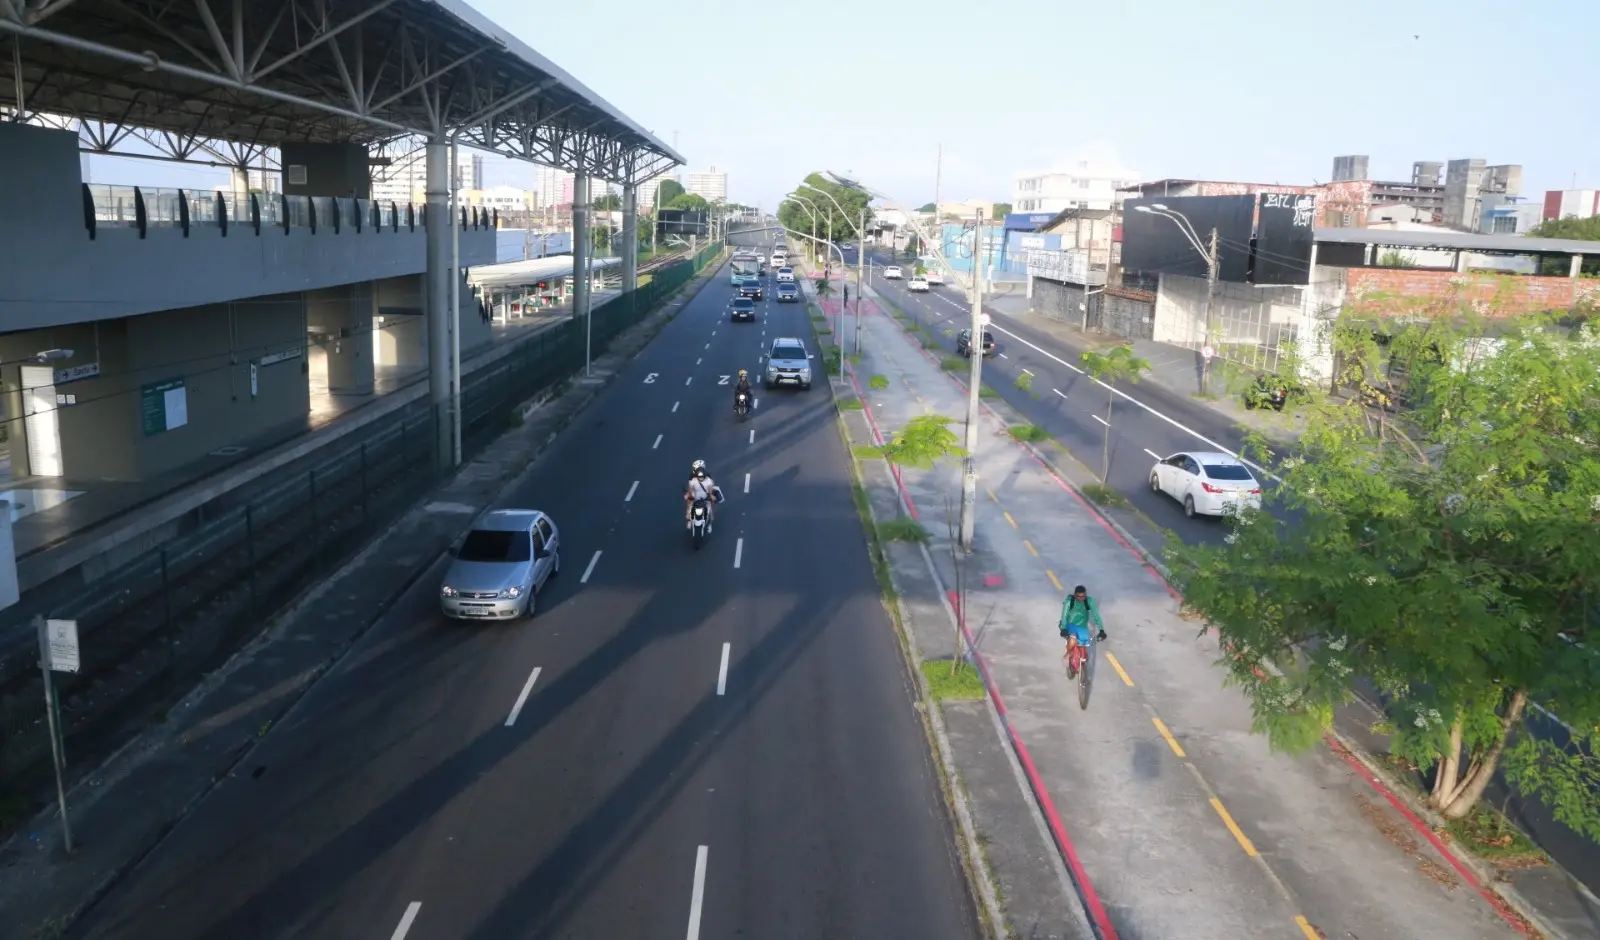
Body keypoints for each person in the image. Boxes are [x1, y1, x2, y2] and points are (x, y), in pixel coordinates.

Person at [1058, 584, 1106, 665]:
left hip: (1082, 627)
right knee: (1072, 639)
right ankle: (1068, 654)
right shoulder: (1069, 601)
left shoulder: (1089, 601)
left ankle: (1083, 669)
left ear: (1085, 595)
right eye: (1078, 596)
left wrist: (1101, 630)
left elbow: (1096, 616)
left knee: (1084, 650)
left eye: (1083, 596)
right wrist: (1063, 628)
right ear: (1075, 595)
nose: (1081, 599)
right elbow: (1064, 615)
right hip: (1069, 625)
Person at [684, 459, 723, 527]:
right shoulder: (692, 476)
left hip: (705, 492)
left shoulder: (707, 475)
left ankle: (711, 514)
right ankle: (688, 514)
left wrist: (711, 495)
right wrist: (688, 494)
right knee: (689, 499)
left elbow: (710, 485)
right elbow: (690, 487)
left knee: (712, 500)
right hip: (695, 491)